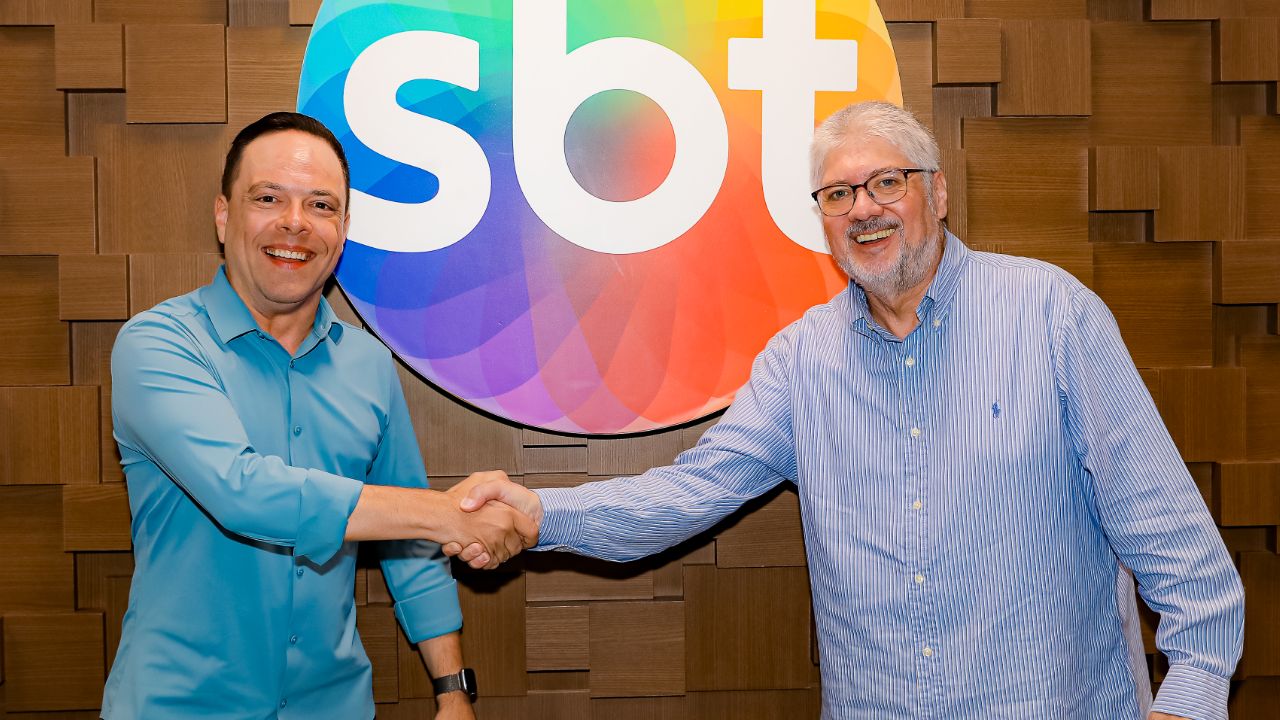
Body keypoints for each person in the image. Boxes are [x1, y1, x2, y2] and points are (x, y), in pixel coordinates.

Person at [448, 101, 1245, 719]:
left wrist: (1188, 697)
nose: (863, 207)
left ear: (937, 192)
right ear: (823, 220)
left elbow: (1178, 549)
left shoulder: (1051, 315)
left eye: (886, 181)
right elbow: (689, 492)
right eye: (837, 193)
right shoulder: (801, 361)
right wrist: (539, 514)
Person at [103, 112, 535, 719]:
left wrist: (452, 693)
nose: (295, 223)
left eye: (322, 205)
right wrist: (445, 514)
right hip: (180, 704)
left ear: (343, 228)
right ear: (224, 215)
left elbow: (409, 541)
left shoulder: (368, 365)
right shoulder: (159, 344)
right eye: (268, 197)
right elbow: (243, 491)